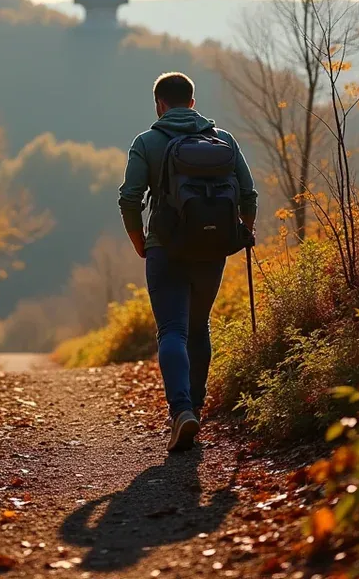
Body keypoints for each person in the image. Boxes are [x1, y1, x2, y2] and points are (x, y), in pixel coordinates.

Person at [118, 72, 257, 453]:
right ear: (192, 103)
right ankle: (195, 407)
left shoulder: (146, 142)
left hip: (165, 248)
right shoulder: (223, 140)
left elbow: (129, 198)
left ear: (159, 104)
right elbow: (248, 194)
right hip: (212, 250)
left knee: (172, 331)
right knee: (198, 328)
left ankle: (180, 411)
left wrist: (139, 241)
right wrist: (242, 233)